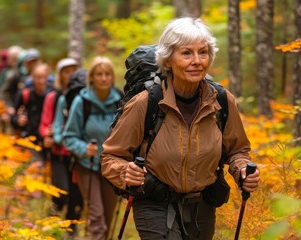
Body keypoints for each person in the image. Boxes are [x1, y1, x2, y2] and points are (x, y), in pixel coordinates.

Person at [100, 17, 260, 240]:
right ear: (168, 59)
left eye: (202, 53)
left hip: (201, 205)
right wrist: (125, 172)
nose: (196, 60)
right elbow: (111, 157)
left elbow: (237, 150)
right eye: (186, 53)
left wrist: (243, 170)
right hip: (153, 201)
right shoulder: (146, 103)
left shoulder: (222, 101)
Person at [62, 56, 121, 240]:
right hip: (86, 165)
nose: (103, 78)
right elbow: (69, 136)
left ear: (112, 77)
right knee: (97, 217)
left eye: (107, 74)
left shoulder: (120, 101)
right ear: (92, 77)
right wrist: (82, 148)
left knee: (108, 217)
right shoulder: (82, 102)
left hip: (112, 167)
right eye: (99, 74)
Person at [39, 58, 82, 235]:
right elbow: (45, 123)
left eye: (73, 70)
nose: (70, 74)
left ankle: (71, 231)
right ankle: (52, 225)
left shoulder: (83, 95)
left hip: (78, 154)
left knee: (77, 196)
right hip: (58, 153)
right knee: (61, 192)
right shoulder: (53, 97)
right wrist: (46, 136)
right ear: (60, 75)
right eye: (66, 71)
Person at [11, 63, 50, 161]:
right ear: (32, 78)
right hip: (28, 140)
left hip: (46, 142)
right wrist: (18, 121)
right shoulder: (25, 94)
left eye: (44, 77)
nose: (41, 81)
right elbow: (13, 117)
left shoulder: (51, 96)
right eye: (38, 78)